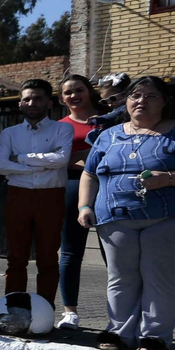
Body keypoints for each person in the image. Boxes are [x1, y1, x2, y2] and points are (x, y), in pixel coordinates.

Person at [78, 76, 175, 350]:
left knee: (159, 275)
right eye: (135, 95)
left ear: (165, 102)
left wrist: (169, 178)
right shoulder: (108, 135)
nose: (141, 101)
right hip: (114, 217)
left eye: (151, 96)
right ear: (127, 101)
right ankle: (119, 332)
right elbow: (89, 173)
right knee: (120, 276)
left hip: (171, 217)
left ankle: (155, 336)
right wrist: (84, 207)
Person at [0, 78, 73, 325]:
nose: (32, 103)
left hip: (51, 197)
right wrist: (37, 167)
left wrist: (22, 159)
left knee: (48, 257)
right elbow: (1, 166)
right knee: (16, 257)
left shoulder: (62, 129)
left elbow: (61, 160)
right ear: (20, 103)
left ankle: (45, 313)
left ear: (49, 102)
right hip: (18, 196)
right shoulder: (10, 133)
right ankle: (14, 312)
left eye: (37, 98)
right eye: (27, 98)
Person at [55, 74, 101, 329]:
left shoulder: (109, 121)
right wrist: (88, 156)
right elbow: (55, 160)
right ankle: (70, 312)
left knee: (115, 256)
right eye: (68, 93)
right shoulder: (60, 126)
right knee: (71, 253)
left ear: (89, 92)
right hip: (71, 187)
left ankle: (123, 314)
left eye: (78, 90)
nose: (73, 96)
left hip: (109, 189)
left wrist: (81, 156)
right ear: (62, 99)